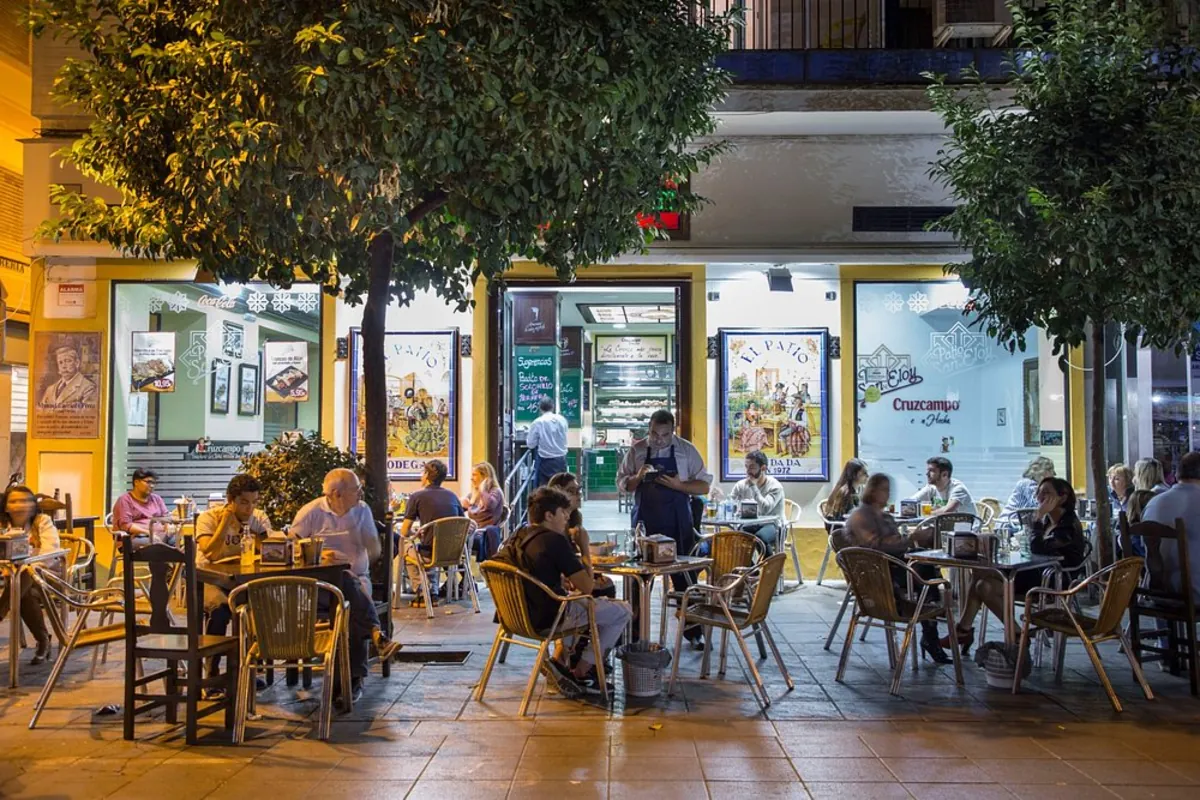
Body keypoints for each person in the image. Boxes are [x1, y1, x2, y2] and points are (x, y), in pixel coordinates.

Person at [290, 468, 402, 702]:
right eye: (356, 490)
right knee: (348, 591)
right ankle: (371, 643)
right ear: (336, 493)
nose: (361, 494)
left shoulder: (362, 511)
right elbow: (291, 548)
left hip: (358, 578)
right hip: (318, 584)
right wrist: (321, 557)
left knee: (349, 598)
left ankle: (350, 680)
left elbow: (374, 550)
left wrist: (365, 553)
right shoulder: (311, 512)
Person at [945, 477, 1087, 654]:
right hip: (1036, 573)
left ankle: (966, 630)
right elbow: (1034, 548)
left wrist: (1038, 517)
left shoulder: (1068, 525)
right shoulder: (1050, 521)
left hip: (1054, 580)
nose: (1040, 498)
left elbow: (1039, 548)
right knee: (982, 577)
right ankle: (1010, 633)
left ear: (1062, 497)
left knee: (983, 581)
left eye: (1046, 493)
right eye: (1039, 493)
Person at [517, 487, 632, 697]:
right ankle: (581, 671)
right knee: (623, 611)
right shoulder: (554, 540)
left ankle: (560, 664)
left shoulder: (520, 535)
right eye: (563, 513)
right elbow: (587, 587)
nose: (567, 517)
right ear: (549, 515)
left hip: (520, 616)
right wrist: (584, 547)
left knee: (575, 601)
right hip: (550, 618)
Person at [616, 408, 712, 644]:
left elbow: (704, 487)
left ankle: (694, 631)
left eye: (664, 435)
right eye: (654, 434)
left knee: (685, 578)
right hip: (644, 524)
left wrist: (679, 485)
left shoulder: (686, 450)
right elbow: (621, 484)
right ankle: (636, 633)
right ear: (648, 430)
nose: (658, 440)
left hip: (678, 522)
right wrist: (638, 477)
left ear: (673, 432)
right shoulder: (637, 450)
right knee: (638, 579)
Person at [837, 474, 950, 664]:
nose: (887, 493)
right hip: (878, 577)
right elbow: (874, 547)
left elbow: (897, 544)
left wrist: (913, 542)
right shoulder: (859, 516)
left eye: (888, 489)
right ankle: (933, 617)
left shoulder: (885, 516)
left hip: (894, 568)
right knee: (926, 573)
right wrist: (912, 539)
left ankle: (932, 614)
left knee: (924, 562)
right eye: (883, 489)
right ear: (872, 490)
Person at [194, 474, 274, 690]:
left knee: (261, 608)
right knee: (220, 609)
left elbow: (271, 550)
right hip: (209, 580)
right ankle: (211, 674)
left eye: (254, 502)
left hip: (242, 580)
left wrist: (256, 535)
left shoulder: (258, 518)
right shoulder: (208, 517)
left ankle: (247, 670)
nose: (249, 508)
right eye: (244, 502)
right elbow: (209, 553)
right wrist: (226, 523)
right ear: (230, 500)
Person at [0, 486, 59, 664]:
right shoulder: (2, 525)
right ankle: (43, 640)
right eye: (14, 501)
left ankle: (1, 611)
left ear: (34, 505)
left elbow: (51, 551)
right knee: (21, 590)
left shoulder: (42, 521)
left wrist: (28, 566)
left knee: (24, 575)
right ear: (6, 506)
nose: (20, 505)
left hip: (46, 574)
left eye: (25, 500)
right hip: (11, 578)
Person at [399, 459, 464, 606]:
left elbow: (404, 531)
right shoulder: (453, 496)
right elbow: (463, 524)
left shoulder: (417, 496)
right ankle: (432, 593)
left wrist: (417, 533)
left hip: (429, 553)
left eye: (423, 473)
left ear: (427, 474)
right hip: (453, 553)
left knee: (403, 544)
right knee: (428, 545)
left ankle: (421, 591)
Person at [1142, 451, 1200, 605]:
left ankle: (1172, 629)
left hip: (1157, 592)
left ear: (1177, 474)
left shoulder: (1154, 502)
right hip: (1194, 593)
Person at [720, 451, 785, 553]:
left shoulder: (775, 486)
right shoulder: (741, 485)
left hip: (774, 525)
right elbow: (730, 503)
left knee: (760, 538)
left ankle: (770, 568)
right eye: (746, 467)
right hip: (751, 524)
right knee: (735, 537)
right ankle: (750, 568)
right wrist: (717, 500)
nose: (747, 471)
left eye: (752, 467)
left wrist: (753, 487)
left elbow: (764, 509)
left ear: (763, 468)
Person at [463, 462, 505, 562]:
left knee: (453, 543)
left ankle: (466, 576)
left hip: (483, 534)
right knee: (446, 542)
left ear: (484, 476)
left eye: (474, 475)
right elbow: (462, 507)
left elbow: (489, 505)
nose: (471, 478)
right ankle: (464, 576)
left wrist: (483, 489)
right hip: (472, 532)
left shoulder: (495, 492)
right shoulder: (474, 494)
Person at [907, 456, 976, 517]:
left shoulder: (958, 488)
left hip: (966, 527)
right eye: (928, 470)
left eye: (932, 471)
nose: (927, 474)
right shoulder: (931, 488)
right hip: (945, 526)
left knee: (925, 530)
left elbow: (947, 511)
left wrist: (926, 514)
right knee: (920, 530)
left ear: (945, 474)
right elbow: (910, 503)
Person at [526, 397, 569, 487]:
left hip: (545, 461)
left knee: (545, 489)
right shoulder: (562, 420)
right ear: (553, 407)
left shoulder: (537, 422)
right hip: (561, 460)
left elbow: (530, 444)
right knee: (561, 487)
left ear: (540, 408)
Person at [112, 468, 169, 536]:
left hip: (160, 534)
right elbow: (125, 525)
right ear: (136, 482)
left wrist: (168, 526)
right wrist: (148, 533)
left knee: (177, 539)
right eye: (148, 482)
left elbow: (166, 516)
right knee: (153, 543)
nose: (152, 486)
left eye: (154, 483)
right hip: (136, 536)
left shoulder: (157, 499)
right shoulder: (125, 500)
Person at [39, 343, 97, 409]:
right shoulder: (50, 389)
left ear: (77, 363)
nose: (63, 366)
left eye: (67, 361)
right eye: (60, 362)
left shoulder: (88, 388)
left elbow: (87, 414)